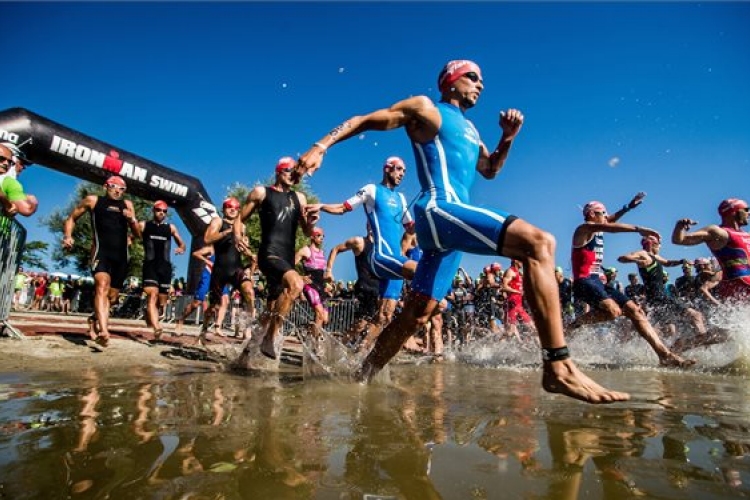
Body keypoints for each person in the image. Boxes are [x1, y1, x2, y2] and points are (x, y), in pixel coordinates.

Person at [296, 59, 629, 403]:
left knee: (418, 312)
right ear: (449, 82)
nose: (480, 84)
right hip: (439, 209)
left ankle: (363, 376)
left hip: (449, 228)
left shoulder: (472, 132)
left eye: (482, 79)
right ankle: (559, 366)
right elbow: (365, 119)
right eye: (472, 77)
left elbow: (490, 170)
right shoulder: (426, 109)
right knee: (539, 243)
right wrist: (321, 146)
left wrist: (508, 138)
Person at [569, 200, 692, 367]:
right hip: (584, 281)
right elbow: (610, 227)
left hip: (598, 281)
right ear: (592, 215)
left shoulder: (599, 226)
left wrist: (628, 208)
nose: (607, 217)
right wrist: (639, 229)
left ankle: (665, 355)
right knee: (613, 312)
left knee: (635, 311)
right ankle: (574, 325)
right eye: (603, 214)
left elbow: (610, 221)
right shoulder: (584, 229)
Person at [312, 156, 418, 347]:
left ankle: (361, 359)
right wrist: (322, 206)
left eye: (404, 171)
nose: (402, 174)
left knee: (384, 316)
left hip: (396, 261)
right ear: (388, 169)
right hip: (381, 257)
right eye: (399, 169)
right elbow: (344, 207)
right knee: (418, 271)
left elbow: (410, 228)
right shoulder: (372, 190)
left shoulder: (401, 198)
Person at [234, 157, 319, 361]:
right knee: (296, 284)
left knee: (271, 311)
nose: (293, 175)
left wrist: (311, 223)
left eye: (296, 172)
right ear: (279, 171)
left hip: (287, 258)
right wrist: (237, 234)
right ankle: (270, 338)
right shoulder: (262, 192)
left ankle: (244, 357)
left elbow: (307, 232)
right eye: (289, 170)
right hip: (269, 254)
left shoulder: (300, 198)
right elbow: (240, 217)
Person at [63, 175, 141, 347]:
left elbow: (137, 235)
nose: (117, 191)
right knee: (102, 286)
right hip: (101, 253)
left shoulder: (127, 205)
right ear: (106, 186)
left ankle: (93, 319)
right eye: (114, 186)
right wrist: (68, 236)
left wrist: (132, 220)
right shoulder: (93, 201)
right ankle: (104, 330)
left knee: (112, 298)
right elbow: (71, 218)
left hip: (121, 257)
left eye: (122, 189)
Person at [618, 235, 707, 342]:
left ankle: (670, 349)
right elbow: (622, 258)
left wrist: (681, 261)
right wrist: (639, 261)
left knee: (670, 330)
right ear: (652, 244)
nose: (660, 247)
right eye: (659, 245)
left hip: (654, 299)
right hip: (660, 297)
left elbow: (668, 263)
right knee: (695, 315)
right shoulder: (643, 254)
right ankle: (703, 338)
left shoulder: (655, 256)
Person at [200, 197, 255, 344]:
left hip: (236, 267)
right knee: (214, 306)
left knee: (249, 292)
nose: (233, 209)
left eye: (236, 208)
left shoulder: (241, 226)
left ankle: (247, 331)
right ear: (224, 209)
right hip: (220, 269)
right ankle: (204, 328)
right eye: (229, 207)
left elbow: (242, 247)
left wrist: (248, 251)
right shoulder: (218, 221)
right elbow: (207, 239)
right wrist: (226, 232)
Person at [672, 198, 750, 302]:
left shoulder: (746, 235)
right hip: (737, 288)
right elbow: (679, 240)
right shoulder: (718, 232)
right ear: (734, 211)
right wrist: (679, 226)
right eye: (746, 209)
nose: (748, 213)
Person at [326, 229, 381, 350]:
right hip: (365, 288)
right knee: (361, 325)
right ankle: (337, 346)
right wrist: (329, 270)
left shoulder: (383, 246)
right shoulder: (359, 242)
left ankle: (363, 352)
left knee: (378, 323)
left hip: (380, 290)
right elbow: (335, 249)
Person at [140, 200, 186, 340]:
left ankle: (149, 313)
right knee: (152, 295)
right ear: (153, 210)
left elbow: (181, 243)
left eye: (164, 211)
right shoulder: (144, 225)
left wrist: (181, 248)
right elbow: (131, 235)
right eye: (159, 210)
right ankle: (157, 327)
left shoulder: (170, 228)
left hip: (165, 267)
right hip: (150, 265)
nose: (161, 213)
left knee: (161, 302)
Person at [295, 226, 330, 336]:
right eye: (318, 235)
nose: (321, 238)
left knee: (324, 319)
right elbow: (289, 267)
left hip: (321, 287)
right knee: (319, 313)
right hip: (310, 286)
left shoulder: (322, 253)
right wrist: (300, 277)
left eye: (322, 236)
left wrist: (329, 283)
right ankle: (315, 344)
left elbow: (322, 272)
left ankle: (308, 333)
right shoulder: (305, 250)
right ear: (312, 236)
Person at [0, 142, 38, 217]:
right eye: (21, 163)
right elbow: (27, 209)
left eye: (9, 161)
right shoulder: (10, 183)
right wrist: (34, 202)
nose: (23, 168)